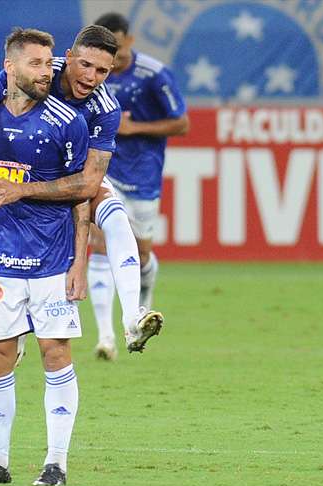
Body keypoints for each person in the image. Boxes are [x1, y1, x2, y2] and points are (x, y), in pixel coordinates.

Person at [0, 24, 163, 358]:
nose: (91, 77)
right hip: (8, 171)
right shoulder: (37, 71)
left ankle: (132, 316)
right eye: (85, 65)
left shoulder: (104, 110)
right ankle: (12, 322)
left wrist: (24, 190)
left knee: (116, 216)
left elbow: (88, 184)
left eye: (102, 71)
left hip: (61, 181)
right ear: (69, 57)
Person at [0, 27, 90, 486]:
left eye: (48, 62)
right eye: (35, 63)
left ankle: (56, 462)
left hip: (53, 261)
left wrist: (80, 262)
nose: (46, 71)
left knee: (55, 354)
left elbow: (81, 195)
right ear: (9, 67)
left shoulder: (66, 121)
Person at [90, 13, 189, 359]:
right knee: (100, 245)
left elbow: (181, 123)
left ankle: (139, 314)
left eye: (114, 49)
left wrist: (135, 128)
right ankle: (105, 337)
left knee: (141, 253)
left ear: (129, 40)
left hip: (144, 175)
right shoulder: (92, 76)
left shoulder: (153, 74)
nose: (109, 59)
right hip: (106, 170)